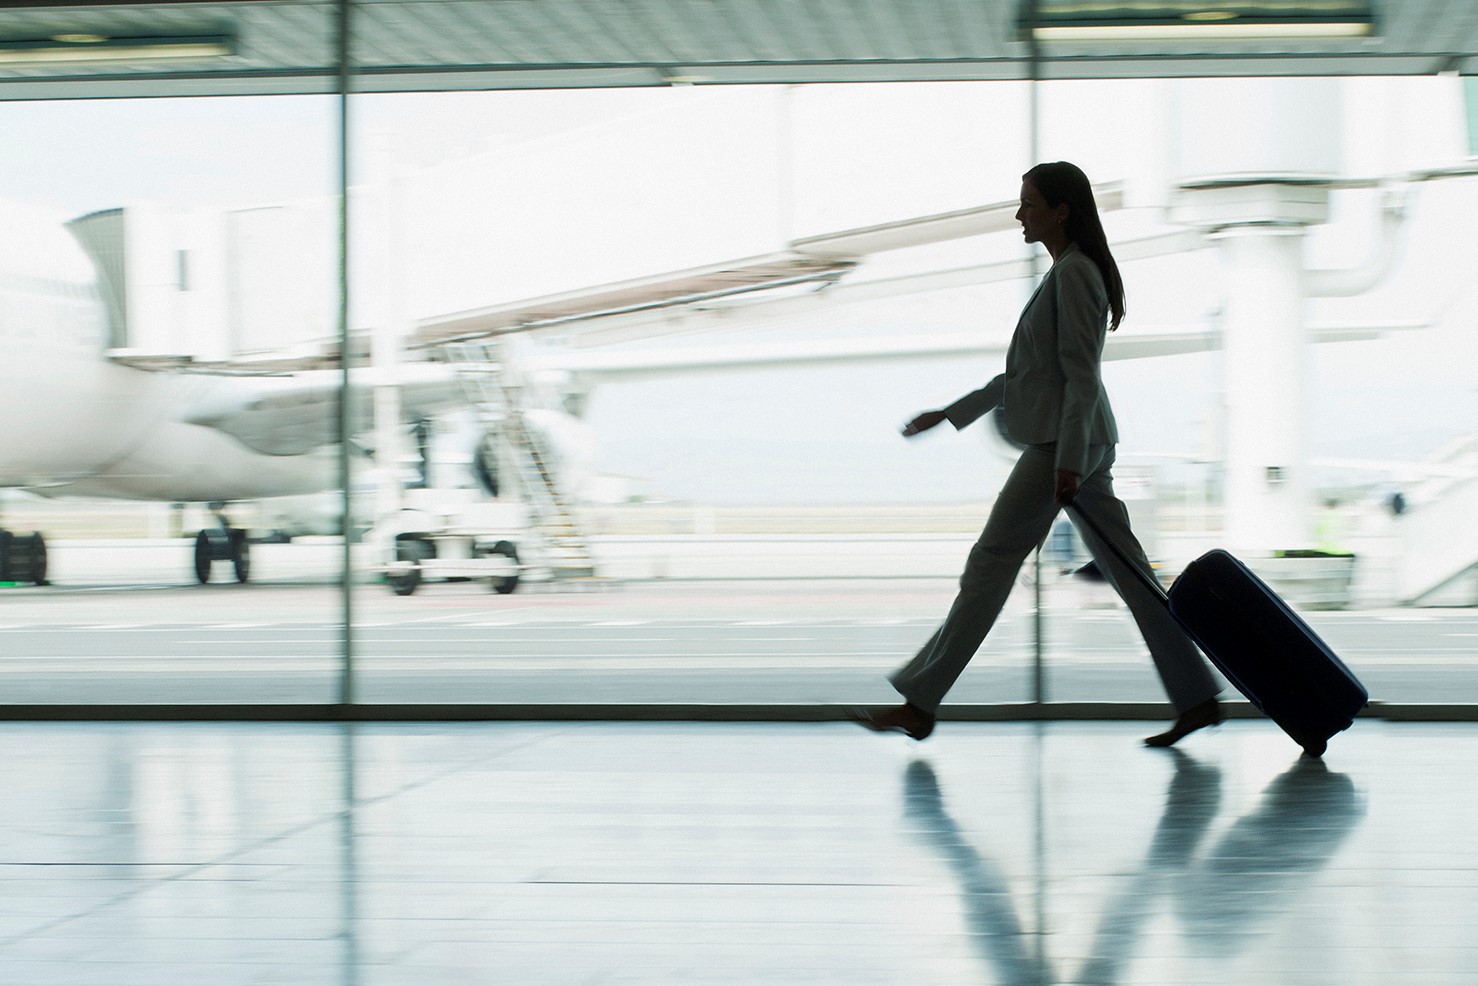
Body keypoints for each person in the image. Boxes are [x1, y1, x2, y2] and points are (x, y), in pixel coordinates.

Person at [852, 161, 1222, 748]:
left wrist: (1069, 463)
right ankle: (1197, 697)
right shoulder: (1067, 273)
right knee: (1130, 577)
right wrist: (952, 414)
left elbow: (1081, 377)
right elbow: (1026, 376)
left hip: (1062, 447)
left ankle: (920, 702)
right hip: (1076, 443)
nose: (1019, 214)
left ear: (1060, 210)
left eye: (1028, 203)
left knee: (990, 564)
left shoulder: (1074, 275)